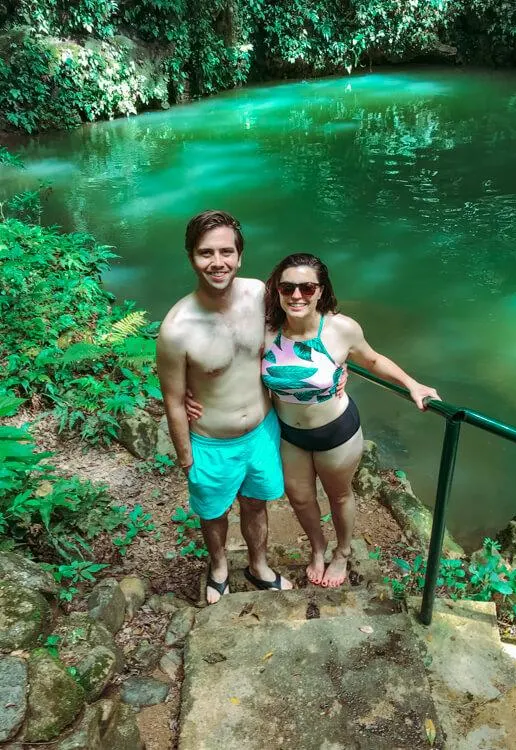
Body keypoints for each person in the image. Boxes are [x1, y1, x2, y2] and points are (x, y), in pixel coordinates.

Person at [261, 253, 441, 588]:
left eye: (307, 287)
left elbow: (372, 359)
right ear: (277, 289)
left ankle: (342, 552)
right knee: (299, 497)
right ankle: (318, 548)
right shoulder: (266, 330)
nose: (297, 295)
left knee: (339, 495)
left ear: (320, 290)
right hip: (288, 433)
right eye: (287, 287)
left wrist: (411, 384)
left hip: (336, 432)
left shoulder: (341, 328)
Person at [156, 210, 292, 604]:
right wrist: (186, 458)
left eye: (226, 251)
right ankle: (218, 567)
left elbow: (306, 327)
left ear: (240, 255)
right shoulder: (177, 327)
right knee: (213, 513)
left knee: (256, 504)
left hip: (262, 431)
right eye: (206, 253)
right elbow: (172, 398)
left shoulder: (262, 295)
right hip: (211, 443)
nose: (218, 262)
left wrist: (335, 367)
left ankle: (258, 565)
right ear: (191, 257)